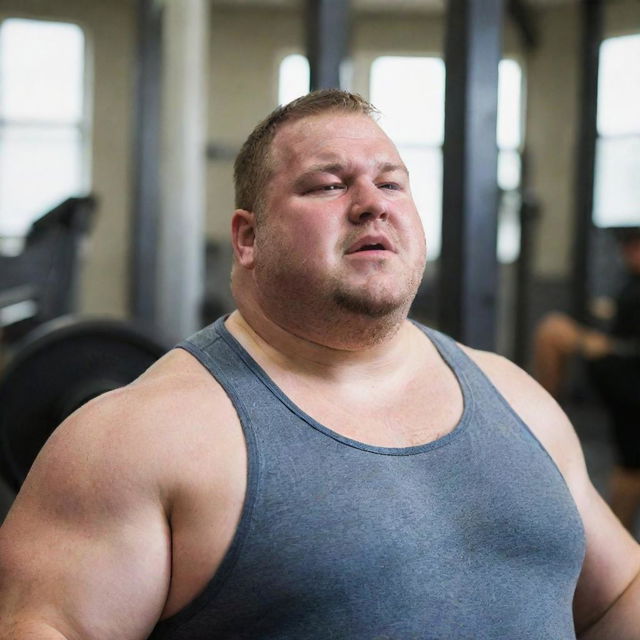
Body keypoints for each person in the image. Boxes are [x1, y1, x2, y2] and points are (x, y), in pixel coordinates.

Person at [0, 89, 638, 639]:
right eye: (329, 185)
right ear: (248, 238)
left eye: (391, 182)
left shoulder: (513, 394)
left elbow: (617, 594)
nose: (371, 202)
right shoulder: (136, 439)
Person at [534, 228, 640, 531]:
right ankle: (542, 419)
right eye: (629, 247)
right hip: (619, 367)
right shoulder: (630, 283)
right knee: (630, 465)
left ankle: (540, 422)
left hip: (629, 373)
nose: (630, 253)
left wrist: (609, 345)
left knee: (552, 331)